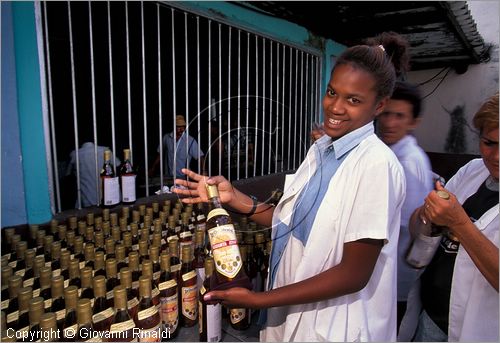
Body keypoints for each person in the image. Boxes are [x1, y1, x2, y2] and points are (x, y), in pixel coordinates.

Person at [173, 31, 409, 341]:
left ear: (379, 106)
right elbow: (290, 223)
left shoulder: (377, 166)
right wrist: (233, 196)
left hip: (335, 323)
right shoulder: (322, 149)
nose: (335, 108)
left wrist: (257, 300)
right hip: (288, 308)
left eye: (353, 100)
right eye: (332, 92)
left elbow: (354, 274)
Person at [400, 93, 499, 342]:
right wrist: (426, 215)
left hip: (479, 329)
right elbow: (421, 228)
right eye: (490, 143)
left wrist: (458, 222)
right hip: (431, 318)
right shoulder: (472, 171)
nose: (497, 156)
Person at [376, 81, 434, 331]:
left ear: (413, 122)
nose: (390, 123)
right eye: (387, 114)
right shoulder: (388, 153)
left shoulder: (410, 163)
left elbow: (406, 227)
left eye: (399, 116)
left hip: (394, 274)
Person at [149, 115, 205, 181]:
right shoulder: (166, 138)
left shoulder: (190, 140)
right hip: (168, 177)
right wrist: (153, 168)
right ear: (174, 126)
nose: (181, 129)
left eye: (183, 126)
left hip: (184, 177)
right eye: (179, 126)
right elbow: (160, 154)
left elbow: (200, 157)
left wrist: (203, 171)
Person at [65, 141, 120, 208]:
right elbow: (118, 166)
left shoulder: (74, 154)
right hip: (111, 198)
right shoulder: (105, 150)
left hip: (87, 201)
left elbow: (67, 176)